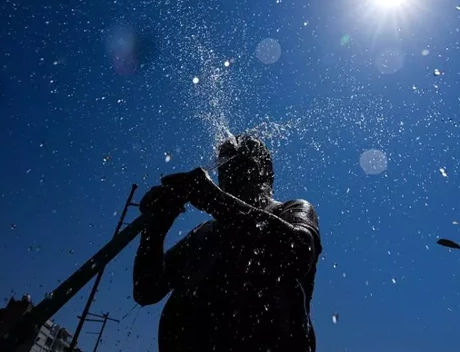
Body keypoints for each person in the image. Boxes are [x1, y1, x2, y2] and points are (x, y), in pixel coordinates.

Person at [133, 135, 322, 352]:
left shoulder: (292, 210)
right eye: (224, 168)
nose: (230, 174)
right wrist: (156, 229)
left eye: (241, 165)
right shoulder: (202, 233)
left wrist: (214, 199)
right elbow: (146, 290)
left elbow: (299, 252)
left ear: (265, 173)